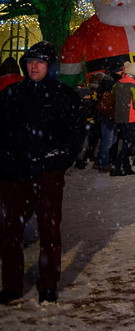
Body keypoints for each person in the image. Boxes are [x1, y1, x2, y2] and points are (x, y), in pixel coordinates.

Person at [0, 41, 84, 305]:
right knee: (10, 232)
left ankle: (48, 284)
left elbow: (74, 134)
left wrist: (58, 163)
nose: (33, 67)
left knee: (49, 232)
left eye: (39, 62)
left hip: (47, 172)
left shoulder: (63, 96)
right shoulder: (12, 93)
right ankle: (11, 285)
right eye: (30, 62)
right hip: (13, 172)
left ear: (50, 66)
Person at [111, 61, 135, 176]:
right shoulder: (134, 84)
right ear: (134, 72)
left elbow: (113, 98)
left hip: (119, 117)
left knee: (125, 143)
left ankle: (126, 167)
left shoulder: (118, 83)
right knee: (129, 145)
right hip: (130, 118)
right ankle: (116, 167)